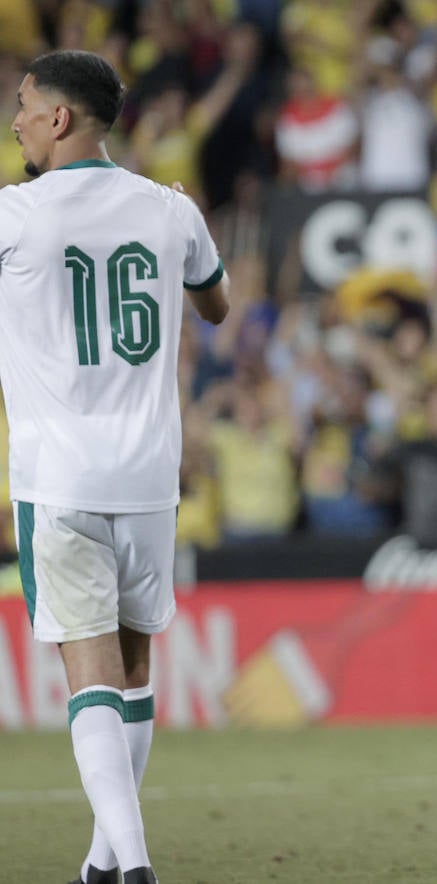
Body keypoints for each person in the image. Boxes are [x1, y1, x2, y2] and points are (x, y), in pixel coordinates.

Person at [1, 50, 230, 884]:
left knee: (90, 675)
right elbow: (216, 301)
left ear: (61, 119)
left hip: (59, 479)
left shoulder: (15, 216)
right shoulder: (170, 210)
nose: (16, 118)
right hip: (146, 480)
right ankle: (104, 867)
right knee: (133, 674)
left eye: (24, 105)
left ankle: (134, 870)